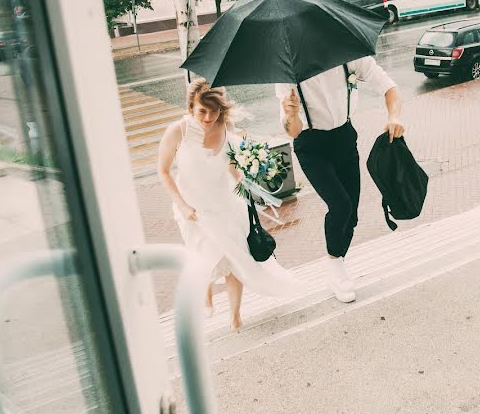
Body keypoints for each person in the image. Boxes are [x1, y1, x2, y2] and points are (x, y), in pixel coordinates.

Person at [158, 78, 305, 331]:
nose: (208, 117)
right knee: (204, 258)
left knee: (233, 260)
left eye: (214, 111)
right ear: (191, 107)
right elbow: (163, 171)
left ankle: (235, 317)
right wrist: (182, 205)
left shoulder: (226, 128)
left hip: (225, 204)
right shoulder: (177, 132)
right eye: (202, 111)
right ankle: (206, 294)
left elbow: (231, 163)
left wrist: (246, 177)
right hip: (193, 210)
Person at [276, 58, 404, 303]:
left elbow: (390, 88)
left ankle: (338, 260)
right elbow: (292, 130)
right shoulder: (288, 70)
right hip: (310, 144)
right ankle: (335, 267)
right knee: (340, 205)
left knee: (351, 215)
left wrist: (394, 116)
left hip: (344, 137)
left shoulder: (348, 54)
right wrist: (290, 114)